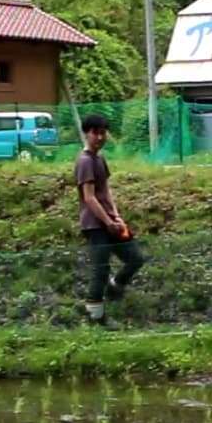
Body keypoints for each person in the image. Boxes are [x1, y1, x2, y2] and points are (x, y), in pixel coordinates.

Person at [76, 113, 145, 329]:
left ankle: (115, 287)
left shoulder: (100, 159)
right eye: (95, 133)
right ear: (87, 134)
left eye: (103, 133)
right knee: (101, 269)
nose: (100, 137)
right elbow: (89, 197)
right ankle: (95, 317)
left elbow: (105, 189)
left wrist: (116, 215)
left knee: (135, 258)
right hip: (94, 225)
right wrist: (107, 221)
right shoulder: (85, 161)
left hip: (110, 221)